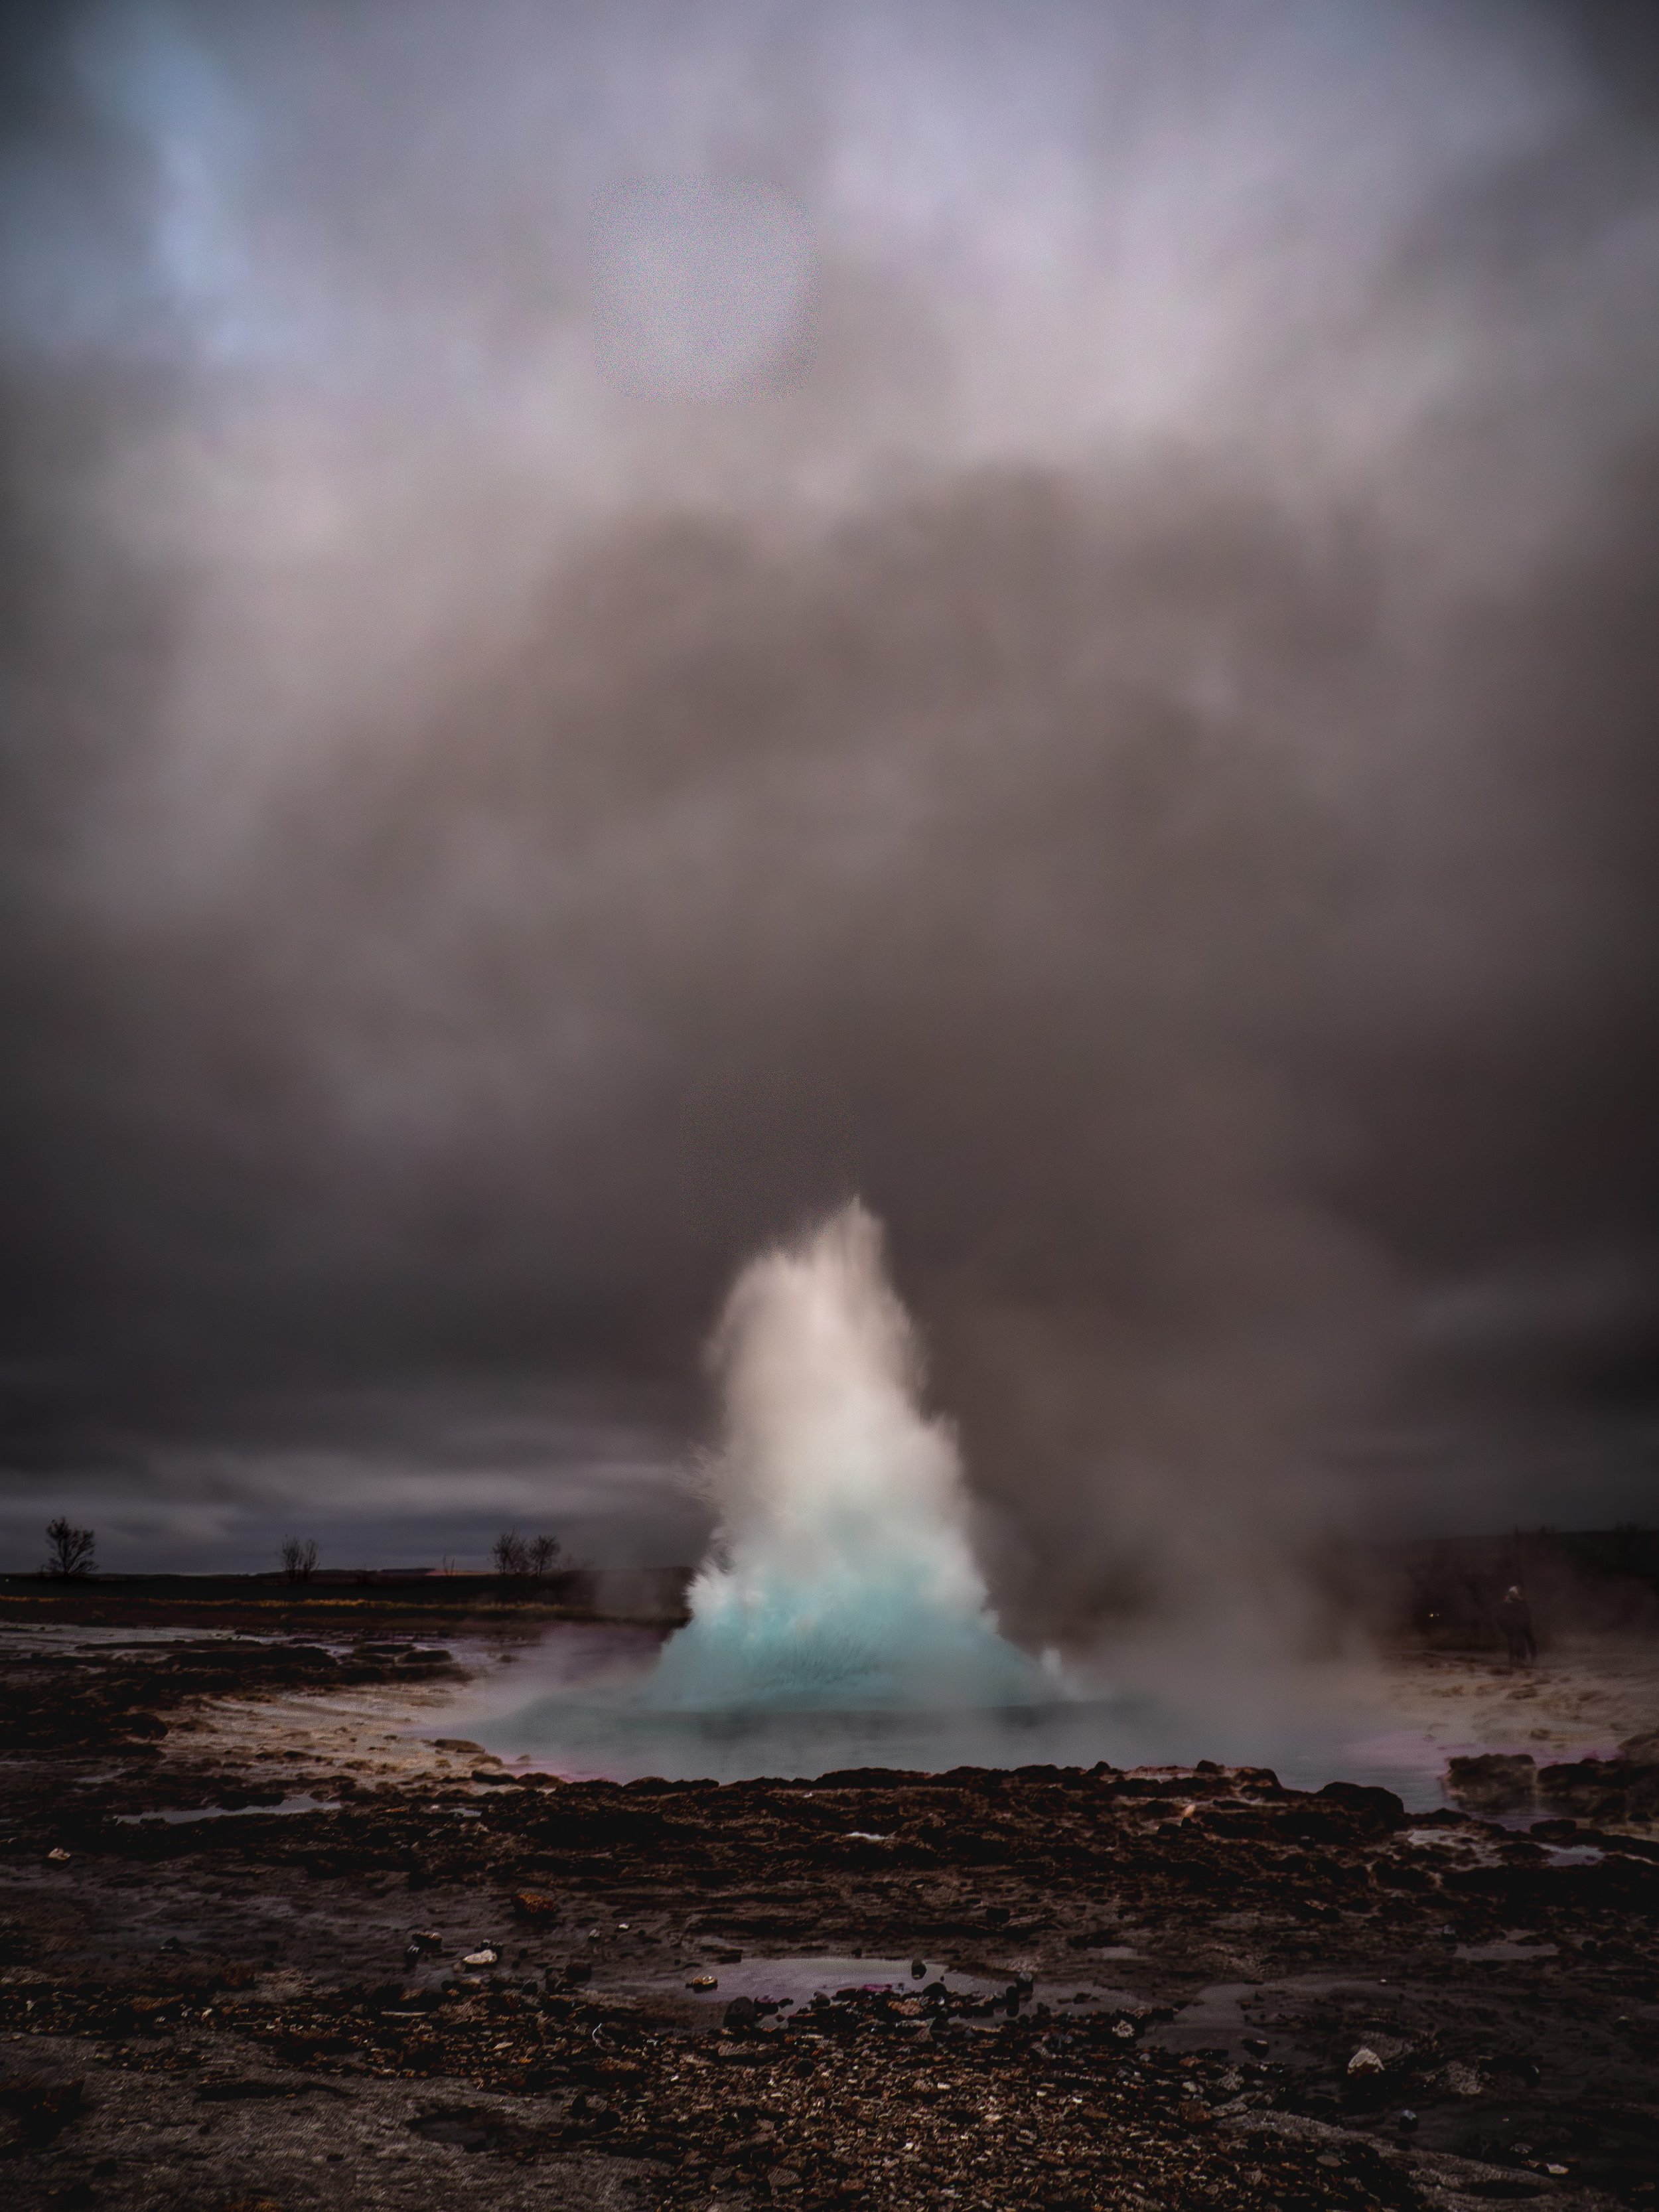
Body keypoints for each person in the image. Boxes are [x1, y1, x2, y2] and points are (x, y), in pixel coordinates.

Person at [1498, 1584, 1537, 1666]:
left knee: (1527, 1640)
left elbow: (1526, 1613)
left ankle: (1531, 1657)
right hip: (1515, 1625)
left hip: (1523, 1624)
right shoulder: (1509, 1602)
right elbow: (1504, 1614)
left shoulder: (1521, 1602)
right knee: (1516, 1641)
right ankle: (1516, 1659)